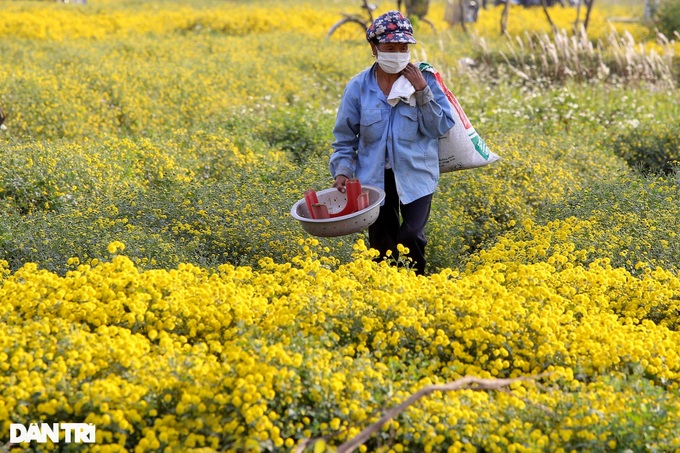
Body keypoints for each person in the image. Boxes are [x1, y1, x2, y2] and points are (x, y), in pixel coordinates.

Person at [330, 10, 455, 276]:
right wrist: (342, 170)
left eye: (403, 47)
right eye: (390, 47)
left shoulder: (425, 79)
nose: (398, 53)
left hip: (416, 173)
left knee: (411, 236)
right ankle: (384, 294)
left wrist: (422, 91)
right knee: (381, 245)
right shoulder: (358, 87)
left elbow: (440, 126)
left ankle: (416, 286)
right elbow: (344, 138)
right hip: (374, 177)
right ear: (374, 48)